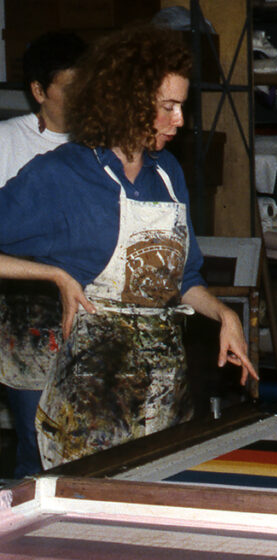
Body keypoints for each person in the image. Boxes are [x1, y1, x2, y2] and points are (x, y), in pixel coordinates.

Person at [0, 25, 258, 470]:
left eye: (182, 106)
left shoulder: (168, 173)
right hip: (89, 404)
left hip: (163, 392)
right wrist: (54, 274)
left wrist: (223, 314)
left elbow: (183, 279)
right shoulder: (61, 175)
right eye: (168, 107)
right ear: (126, 101)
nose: (180, 120)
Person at [0, 31, 88, 478]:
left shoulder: (98, 147)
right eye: (70, 88)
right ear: (38, 91)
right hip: (26, 315)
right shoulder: (7, 143)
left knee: (90, 448)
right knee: (38, 447)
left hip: (91, 313)